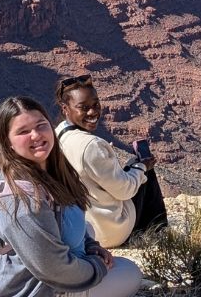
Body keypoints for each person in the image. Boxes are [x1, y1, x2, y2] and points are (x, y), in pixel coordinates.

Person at [0, 95, 142, 297]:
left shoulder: (49, 170)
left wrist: (91, 246)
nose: (36, 135)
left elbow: (65, 216)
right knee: (130, 273)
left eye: (41, 125)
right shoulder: (20, 198)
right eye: (23, 131)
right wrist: (96, 266)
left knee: (92, 231)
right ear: (7, 141)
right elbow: (52, 267)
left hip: (47, 273)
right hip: (27, 289)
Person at [55, 75, 168, 248]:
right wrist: (141, 166)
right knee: (144, 173)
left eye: (96, 104)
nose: (92, 112)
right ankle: (157, 236)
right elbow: (124, 191)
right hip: (107, 232)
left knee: (133, 169)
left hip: (82, 227)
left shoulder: (57, 135)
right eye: (83, 107)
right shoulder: (91, 145)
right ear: (65, 109)